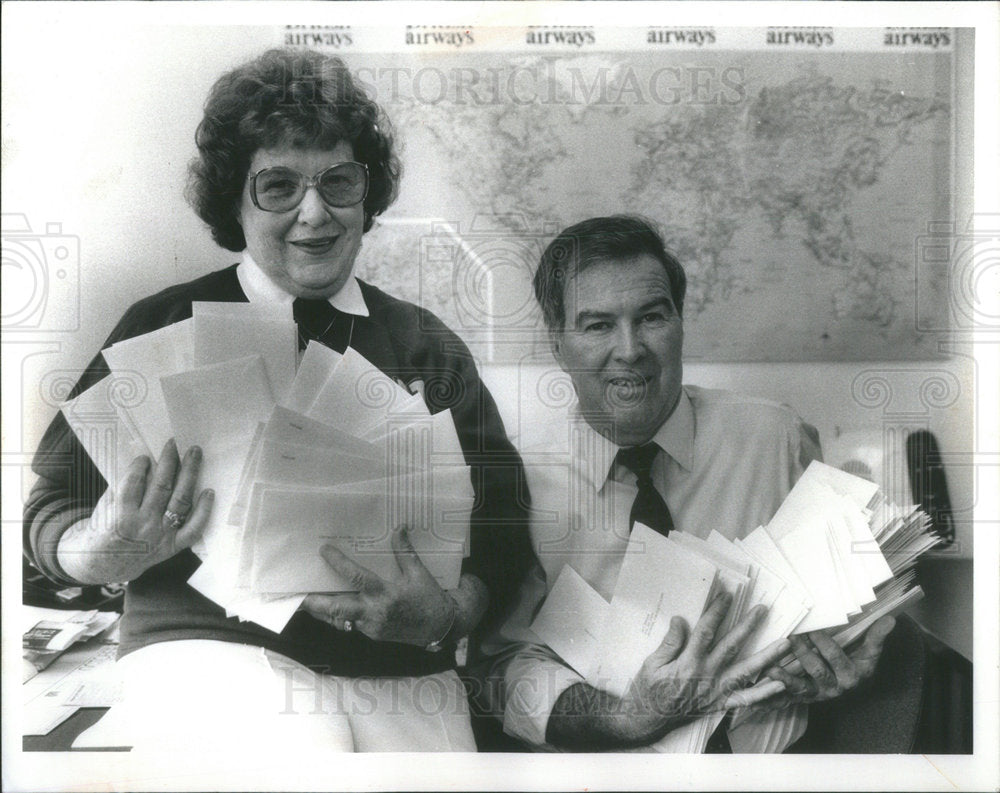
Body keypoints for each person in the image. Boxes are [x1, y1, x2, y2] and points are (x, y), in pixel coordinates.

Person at [22, 48, 533, 756]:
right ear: (235, 200)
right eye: (279, 186)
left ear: (367, 193)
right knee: (303, 749)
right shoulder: (165, 324)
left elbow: (506, 531)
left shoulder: (424, 344)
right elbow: (51, 509)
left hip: (398, 661)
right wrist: (98, 551)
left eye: (339, 182)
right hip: (206, 646)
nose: (315, 213)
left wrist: (449, 613)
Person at [473, 215, 897, 752]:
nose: (630, 349)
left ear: (679, 322)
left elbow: (844, 611)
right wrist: (627, 718)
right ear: (558, 344)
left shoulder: (776, 438)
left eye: (651, 317)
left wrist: (847, 656)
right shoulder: (519, 478)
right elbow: (504, 666)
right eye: (598, 325)